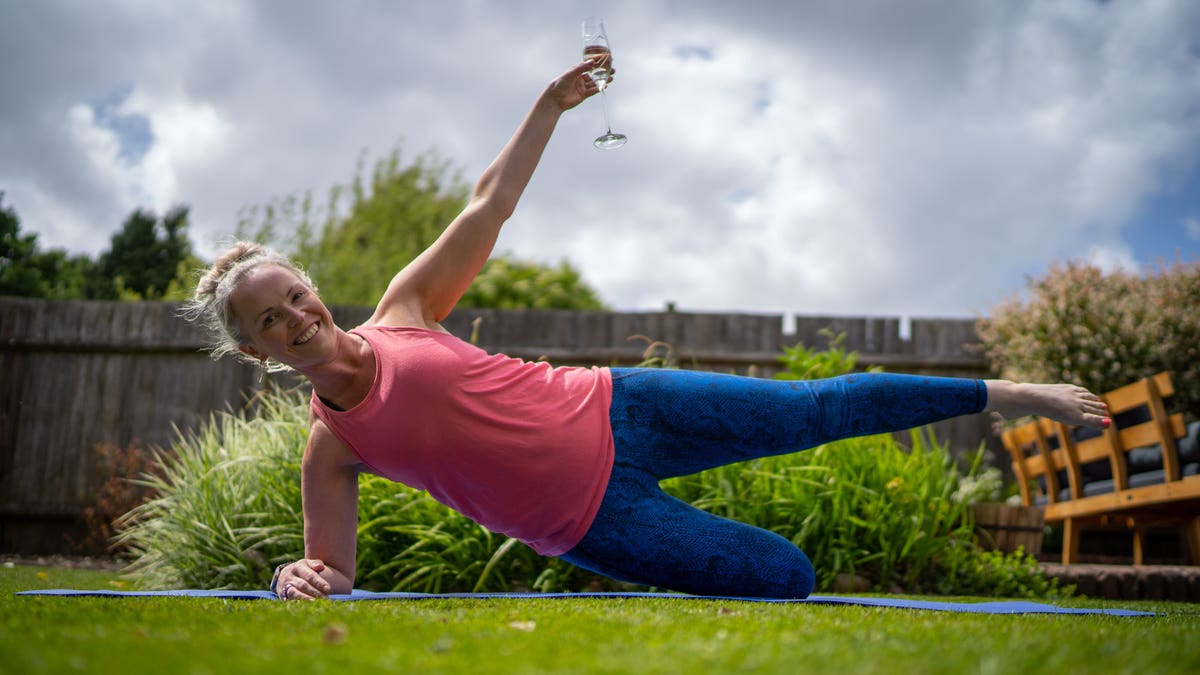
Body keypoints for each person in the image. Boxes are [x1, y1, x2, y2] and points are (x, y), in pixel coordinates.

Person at [184, 58, 1111, 601]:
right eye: (271, 321)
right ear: (256, 350)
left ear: (310, 286)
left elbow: (487, 206)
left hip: (624, 406)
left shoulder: (404, 309)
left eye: (295, 295)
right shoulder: (330, 447)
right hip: (593, 520)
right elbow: (331, 569)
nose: (298, 318)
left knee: (812, 409)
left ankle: (1011, 392)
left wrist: (548, 106)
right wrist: (294, 580)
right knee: (786, 574)